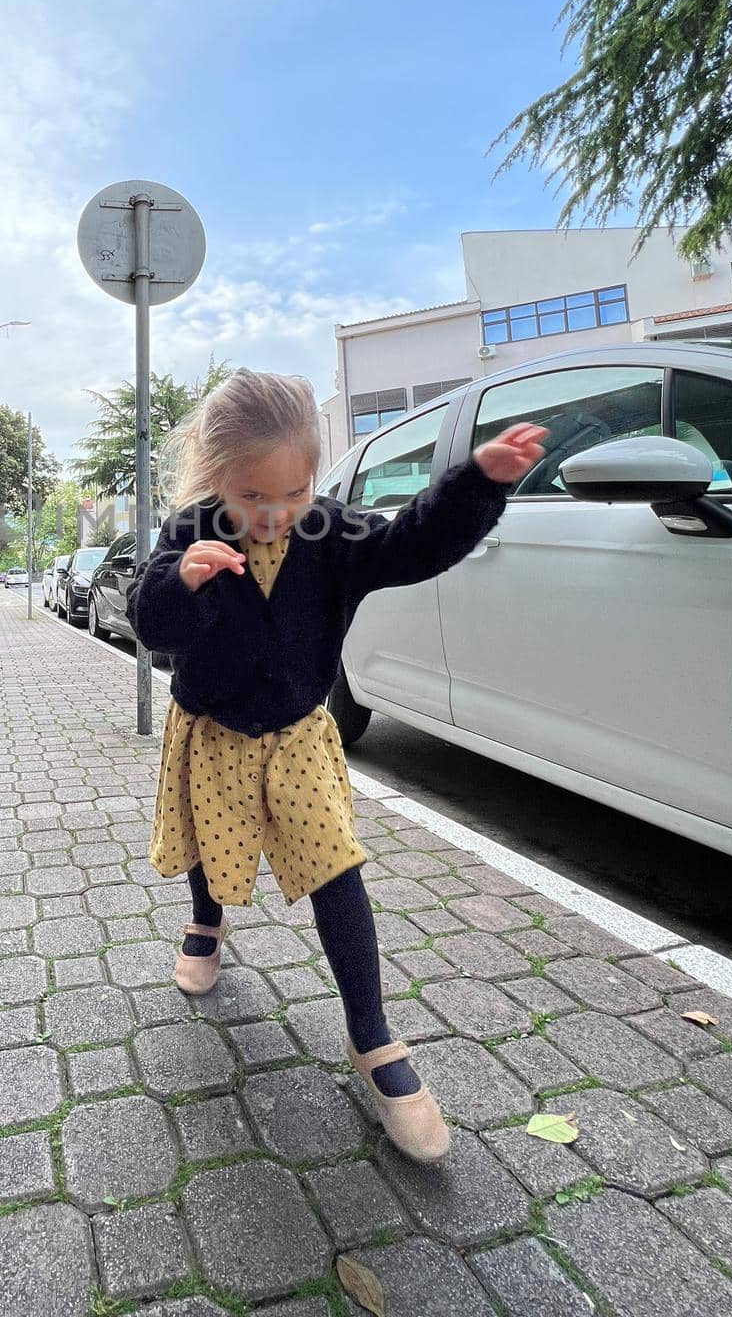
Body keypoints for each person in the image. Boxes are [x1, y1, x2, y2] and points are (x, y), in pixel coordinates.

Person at [124, 368, 547, 1163]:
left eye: (295, 491)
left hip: (297, 737)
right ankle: (206, 923)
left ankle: (374, 1038)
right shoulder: (190, 530)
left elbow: (412, 543)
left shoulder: (330, 532)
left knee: (335, 870)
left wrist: (477, 483)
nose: (275, 513)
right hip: (212, 728)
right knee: (212, 845)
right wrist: (185, 581)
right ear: (216, 477)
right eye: (253, 496)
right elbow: (155, 628)